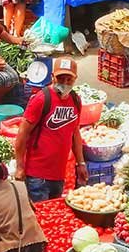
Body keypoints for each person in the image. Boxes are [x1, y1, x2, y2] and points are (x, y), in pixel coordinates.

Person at [14, 58, 86, 202]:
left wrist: (81, 163)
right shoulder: (41, 99)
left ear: (75, 79)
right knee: (40, 216)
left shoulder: (75, 100)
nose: (64, 83)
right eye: (60, 78)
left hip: (59, 174)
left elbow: (75, 133)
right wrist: (20, 167)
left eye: (69, 79)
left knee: (53, 214)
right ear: (52, 77)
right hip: (37, 175)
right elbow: (22, 134)